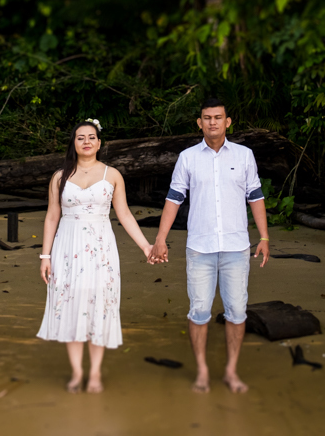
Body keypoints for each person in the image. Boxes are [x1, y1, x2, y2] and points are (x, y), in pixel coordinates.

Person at [147, 98, 270, 393]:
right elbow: (174, 198)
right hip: (200, 248)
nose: (212, 122)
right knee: (199, 311)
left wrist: (264, 237)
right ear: (199, 123)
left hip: (236, 247)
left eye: (218, 117)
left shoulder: (244, 155)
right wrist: (160, 238)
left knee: (236, 311)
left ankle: (230, 370)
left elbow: (255, 196)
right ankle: (202, 370)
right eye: (207, 117)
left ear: (228, 122)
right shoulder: (188, 158)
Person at [37, 119, 153, 393]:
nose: (86, 141)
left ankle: (96, 372)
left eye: (91, 137)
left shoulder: (112, 175)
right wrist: (45, 256)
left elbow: (124, 214)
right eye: (81, 137)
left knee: (100, 305)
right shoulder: (59, 176)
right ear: (74, 143)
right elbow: (52, 216)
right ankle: (77, 372)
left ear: (99, 143)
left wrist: (146, 247)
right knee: (71, 304)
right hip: (67, 247)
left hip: (101, 249)